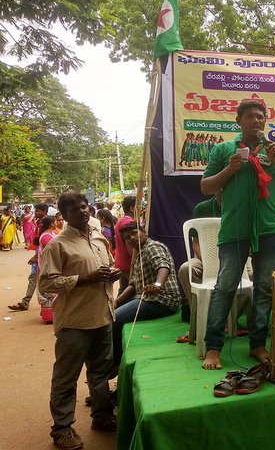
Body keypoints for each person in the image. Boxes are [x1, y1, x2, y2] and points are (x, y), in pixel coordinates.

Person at [200, 100, 275, 369]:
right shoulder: (223, 150)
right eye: (251, 116)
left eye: (261, 117)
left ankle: (257, 345)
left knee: (265, 289)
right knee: (225, 288)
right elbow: (206, 187)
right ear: (239, 120)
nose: (257, 121)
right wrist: (229, 169)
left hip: (269, 229)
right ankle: (213, 348)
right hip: (235, 230)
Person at [38, 192, 120, 449]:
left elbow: (104, 270)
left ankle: (102, 416)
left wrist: (111, 275)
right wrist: (85, 277)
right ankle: (62, 429)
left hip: (103, 317)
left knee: (99, 374)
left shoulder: (98, 238)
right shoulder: (57, 245)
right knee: (66, 378)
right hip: (75, 323)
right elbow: (47, 283)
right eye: (75, 210)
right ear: (64, 216)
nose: (83, 212)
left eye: (84, 207)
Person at [113, 222, 180, 369]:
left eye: (134, 233)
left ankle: (115, 364)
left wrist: (157, 285)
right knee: (113, 312)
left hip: (162, 300)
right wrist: (116, 302)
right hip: (147, 297)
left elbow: (163, 265)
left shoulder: (153, 247)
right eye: (126, 237)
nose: (131, 238)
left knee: (115, 319)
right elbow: (133, 284)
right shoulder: (139, 253)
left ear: (144, 232)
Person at [177, 192, 222, 331]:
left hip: (237, 258)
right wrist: (210, 261)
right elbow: (195, 243)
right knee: (185, 269)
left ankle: (227, 318)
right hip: (205, 258)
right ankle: (198, 319)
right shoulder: (202, 208)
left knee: (253, 275)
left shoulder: (241, 206)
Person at [8, 203, 48, 311]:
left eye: (38, 211)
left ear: (44, 211)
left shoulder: (45, 223)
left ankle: (39, 302)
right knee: (35, 277)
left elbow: (44, 241)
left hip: (42, 255)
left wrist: (36, 256)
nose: (36, 213)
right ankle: (27, 302)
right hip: (39, 254)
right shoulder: (40, 222)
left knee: (37, 277)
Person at [113, 196, 136, 295]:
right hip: (128, 263)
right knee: (131, 290)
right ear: (132, 208)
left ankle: (114, 309)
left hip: (121, 262)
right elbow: (130, 245)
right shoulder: (128, 222)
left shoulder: (120, 220)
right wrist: (135, 260)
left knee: (123, 291)